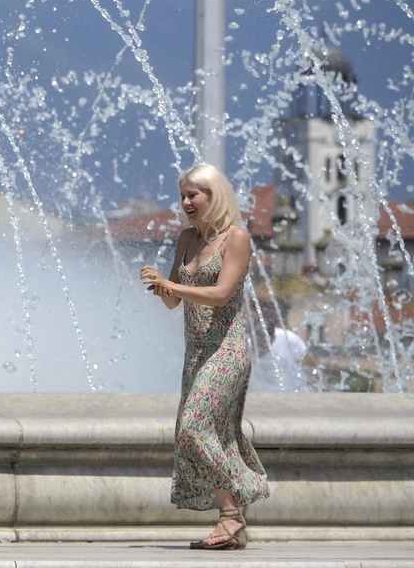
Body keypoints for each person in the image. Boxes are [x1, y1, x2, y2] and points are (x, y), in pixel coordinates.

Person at [139, 163, 270, 550]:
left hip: (227, 350)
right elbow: (173, 302)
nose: (186, 203)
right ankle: (232, 522)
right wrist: (160, 286)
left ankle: (232, 511)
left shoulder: (237, 238)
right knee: (198, 432)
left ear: (214, 196)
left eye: (193, 195)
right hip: (196, 354)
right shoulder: (185, 239)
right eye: (182, 196)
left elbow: (221, 293)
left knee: (194, 426)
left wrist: (171, 283)